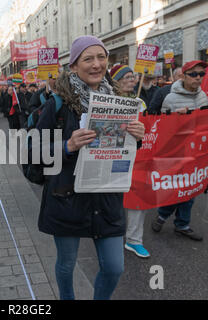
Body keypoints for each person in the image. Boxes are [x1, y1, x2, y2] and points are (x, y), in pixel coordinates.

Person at [33, 36, 145, 300]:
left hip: (106, 197)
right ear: (73, 66)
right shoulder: (57, 105)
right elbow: (34, 151)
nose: (97, 64)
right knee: (67, 264)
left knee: (114, 267)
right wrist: (66, 146)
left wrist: (136, 138)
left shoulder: (120, 100)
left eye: (101, 57)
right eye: (88, 58)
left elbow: (123, 151)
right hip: (67, 198)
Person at [152, 60, 208, 241]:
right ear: (183, 76)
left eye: (201, 74)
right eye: (193, 74)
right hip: (175, 152)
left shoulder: (203, 97)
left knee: (190, 189)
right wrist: (176, 117)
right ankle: (162, 214)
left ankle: (182, 224)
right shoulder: (170, 98)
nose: (198, 78)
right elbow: (161, 126)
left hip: (195, 152)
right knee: (175, 187)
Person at [110, 65, 149, 258]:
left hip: (137, 155)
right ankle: (109, 237)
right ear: (115, 81)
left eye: (133, 76)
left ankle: (134, 240)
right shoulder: (108, 100)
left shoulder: (141, 102)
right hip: (113, 156)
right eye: (126, 76)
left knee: (137, 196)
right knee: (112, 198)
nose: (131, 79)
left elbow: (149, 127)